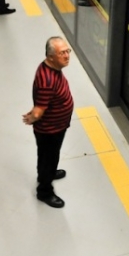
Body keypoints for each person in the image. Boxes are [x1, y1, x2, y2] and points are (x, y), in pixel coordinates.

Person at [23, 36, 75, 209]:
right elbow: (39, 110)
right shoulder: (47, 80)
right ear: (51, 57)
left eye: (67, 51)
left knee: (48, 157)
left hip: (56, 126)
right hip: (50, 130)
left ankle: (47, 173)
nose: (67, 56)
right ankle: (44, 191)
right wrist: (32, 117)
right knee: (49, 158)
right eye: (62, 53)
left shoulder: (52, 67)